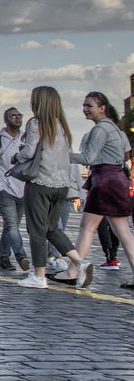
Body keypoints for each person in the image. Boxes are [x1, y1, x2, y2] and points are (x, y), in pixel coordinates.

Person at [14, 86, 90, 289]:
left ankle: (39, 276)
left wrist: (16, 156)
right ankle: (80, 262)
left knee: (36, 230)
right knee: (51, 228)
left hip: (40, 182)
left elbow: (29, 152)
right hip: (61, 185)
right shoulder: (62, 125)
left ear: (38, 102)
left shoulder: (36, 123)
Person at [55, 92, 134, 290]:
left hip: (104, 180)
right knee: (123, 231)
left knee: (87, 228)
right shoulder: (115, 128)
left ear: (102, 107)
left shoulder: (100, 129)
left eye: (89, 105)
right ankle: (74, 271)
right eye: (84, 105)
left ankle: (73, 272)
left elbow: (88, 157)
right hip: (117, 179)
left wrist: (61, 154)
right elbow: (125, 154)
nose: (85, 109)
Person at [0, 108, 31, 271]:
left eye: (19, 115)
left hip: (23, 189)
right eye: (13, 116)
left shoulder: (27, 138)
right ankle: (21, 256)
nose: (17, 118)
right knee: (11, 225)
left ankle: (4, 257)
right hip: (4, 190)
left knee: (12, 226)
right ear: (6, 120)